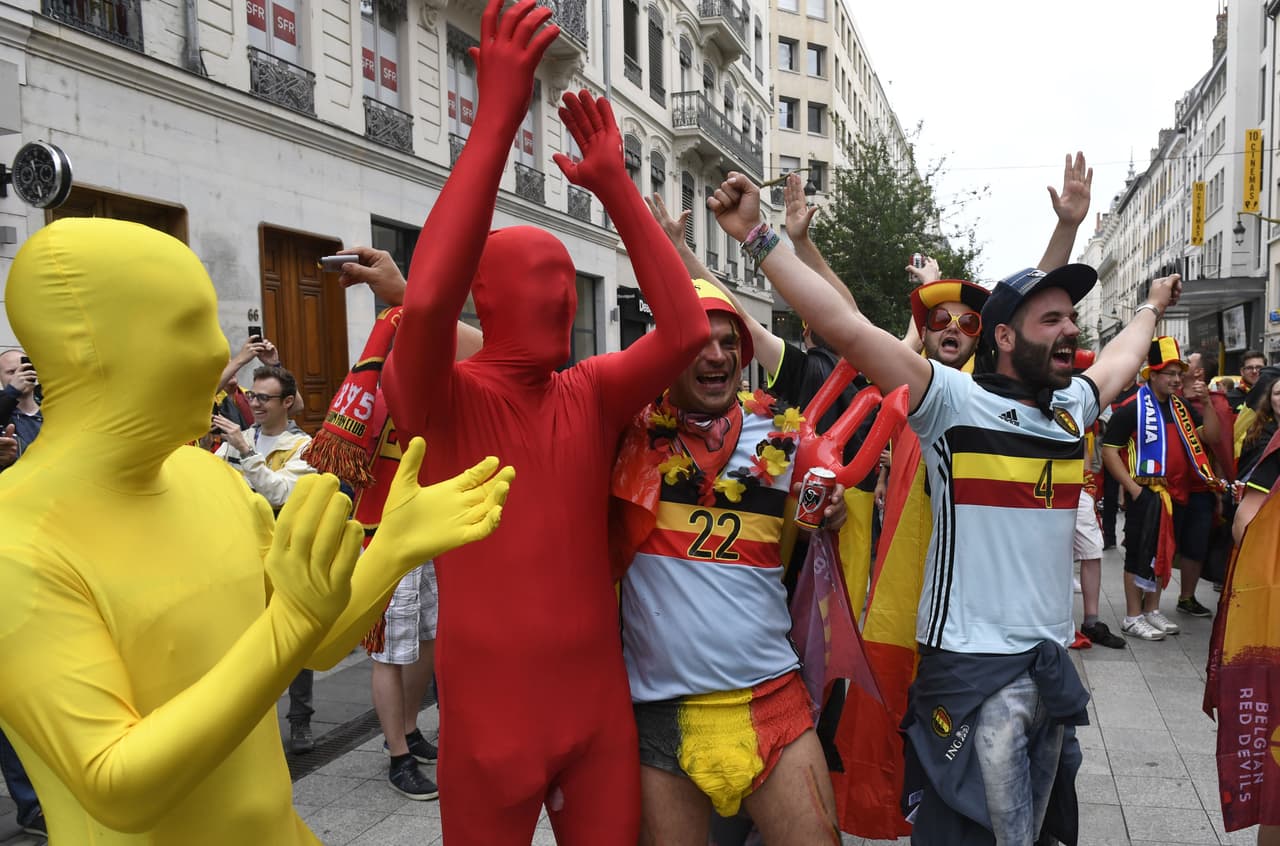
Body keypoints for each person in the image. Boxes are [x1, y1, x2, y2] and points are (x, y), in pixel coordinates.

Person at [703, 168, 1179, 844]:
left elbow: (1126, 355)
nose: (1071, 330)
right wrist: (757, 235)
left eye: (1072, 318)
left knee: (1043, 831)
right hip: (965, 668)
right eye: (1053, 320)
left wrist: (1152, 307)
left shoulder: (1074, 405)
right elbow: (843, 325)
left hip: (1048, 668)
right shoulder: (953, 402)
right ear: (1006, 339)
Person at [0, 216, 511, 844]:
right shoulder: (15, 544)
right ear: (85, 346)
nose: (220, 354)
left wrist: (394, 548)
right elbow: (116, 785)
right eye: (186, 326)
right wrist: (289, 625)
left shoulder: (207, 478)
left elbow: (315, 644)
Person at [380, 3, 709, 841]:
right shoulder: (439, 399)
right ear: (484, 297)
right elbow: (427, 299)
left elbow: (685, 331)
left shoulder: (587, 393)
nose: (565, 296)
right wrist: (496, 116)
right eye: (542, 279)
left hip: (596, 714)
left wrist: (617, 188)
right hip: (492, 721)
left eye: (567, 280)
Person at [611, 280, 854, 845]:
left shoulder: (784, 436)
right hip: (659, 712)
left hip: (773, 701)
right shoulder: (627, 431)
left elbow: (819, 522)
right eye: (698, 342)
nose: (716, 355)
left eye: (729, 343)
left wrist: (834, 512)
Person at [214, 364, 320, 753]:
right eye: (252, 395)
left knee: (293, 639)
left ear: (287, 402)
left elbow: (281, 493)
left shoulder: (304, 446)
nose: (254, 404)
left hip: (286, 558)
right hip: (240, 555)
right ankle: (254, 722)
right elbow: (214, 479)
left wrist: (245, 453)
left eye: (264, 398)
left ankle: (300, 720)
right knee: (246, 639)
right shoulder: (238, 438)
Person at [1101, 337, 1221, 641]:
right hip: (1147, 494)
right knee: (1138, 553)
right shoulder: (1131, 409)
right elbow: (1109, 451)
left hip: (1178, 495)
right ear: (1152, 375)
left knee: (1163, 554)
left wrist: (1207, 403)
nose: (1177, 379)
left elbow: (1211, 437)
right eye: (1170, 373)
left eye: (1179, 373)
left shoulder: (1182, 408)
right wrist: (1134, 490)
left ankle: (1151, 608)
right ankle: (1132, 616)